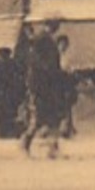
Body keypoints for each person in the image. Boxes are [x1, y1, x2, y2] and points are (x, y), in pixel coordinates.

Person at [20, 19, 69, 157]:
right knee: (39, 117)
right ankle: (25, 143)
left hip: (48, 85)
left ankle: (52, 148)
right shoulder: (42, 39)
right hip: (41, 85)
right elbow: (37, 62)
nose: (56, 27)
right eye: (54, 25)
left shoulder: (47, 40)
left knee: (52, 117)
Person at [0, 46, 23, 139]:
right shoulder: (13, 65)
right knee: (5, 113)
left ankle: (2, 132)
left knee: (3, 113)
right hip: (5, 94)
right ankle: (4, 132)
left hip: (2, 93)